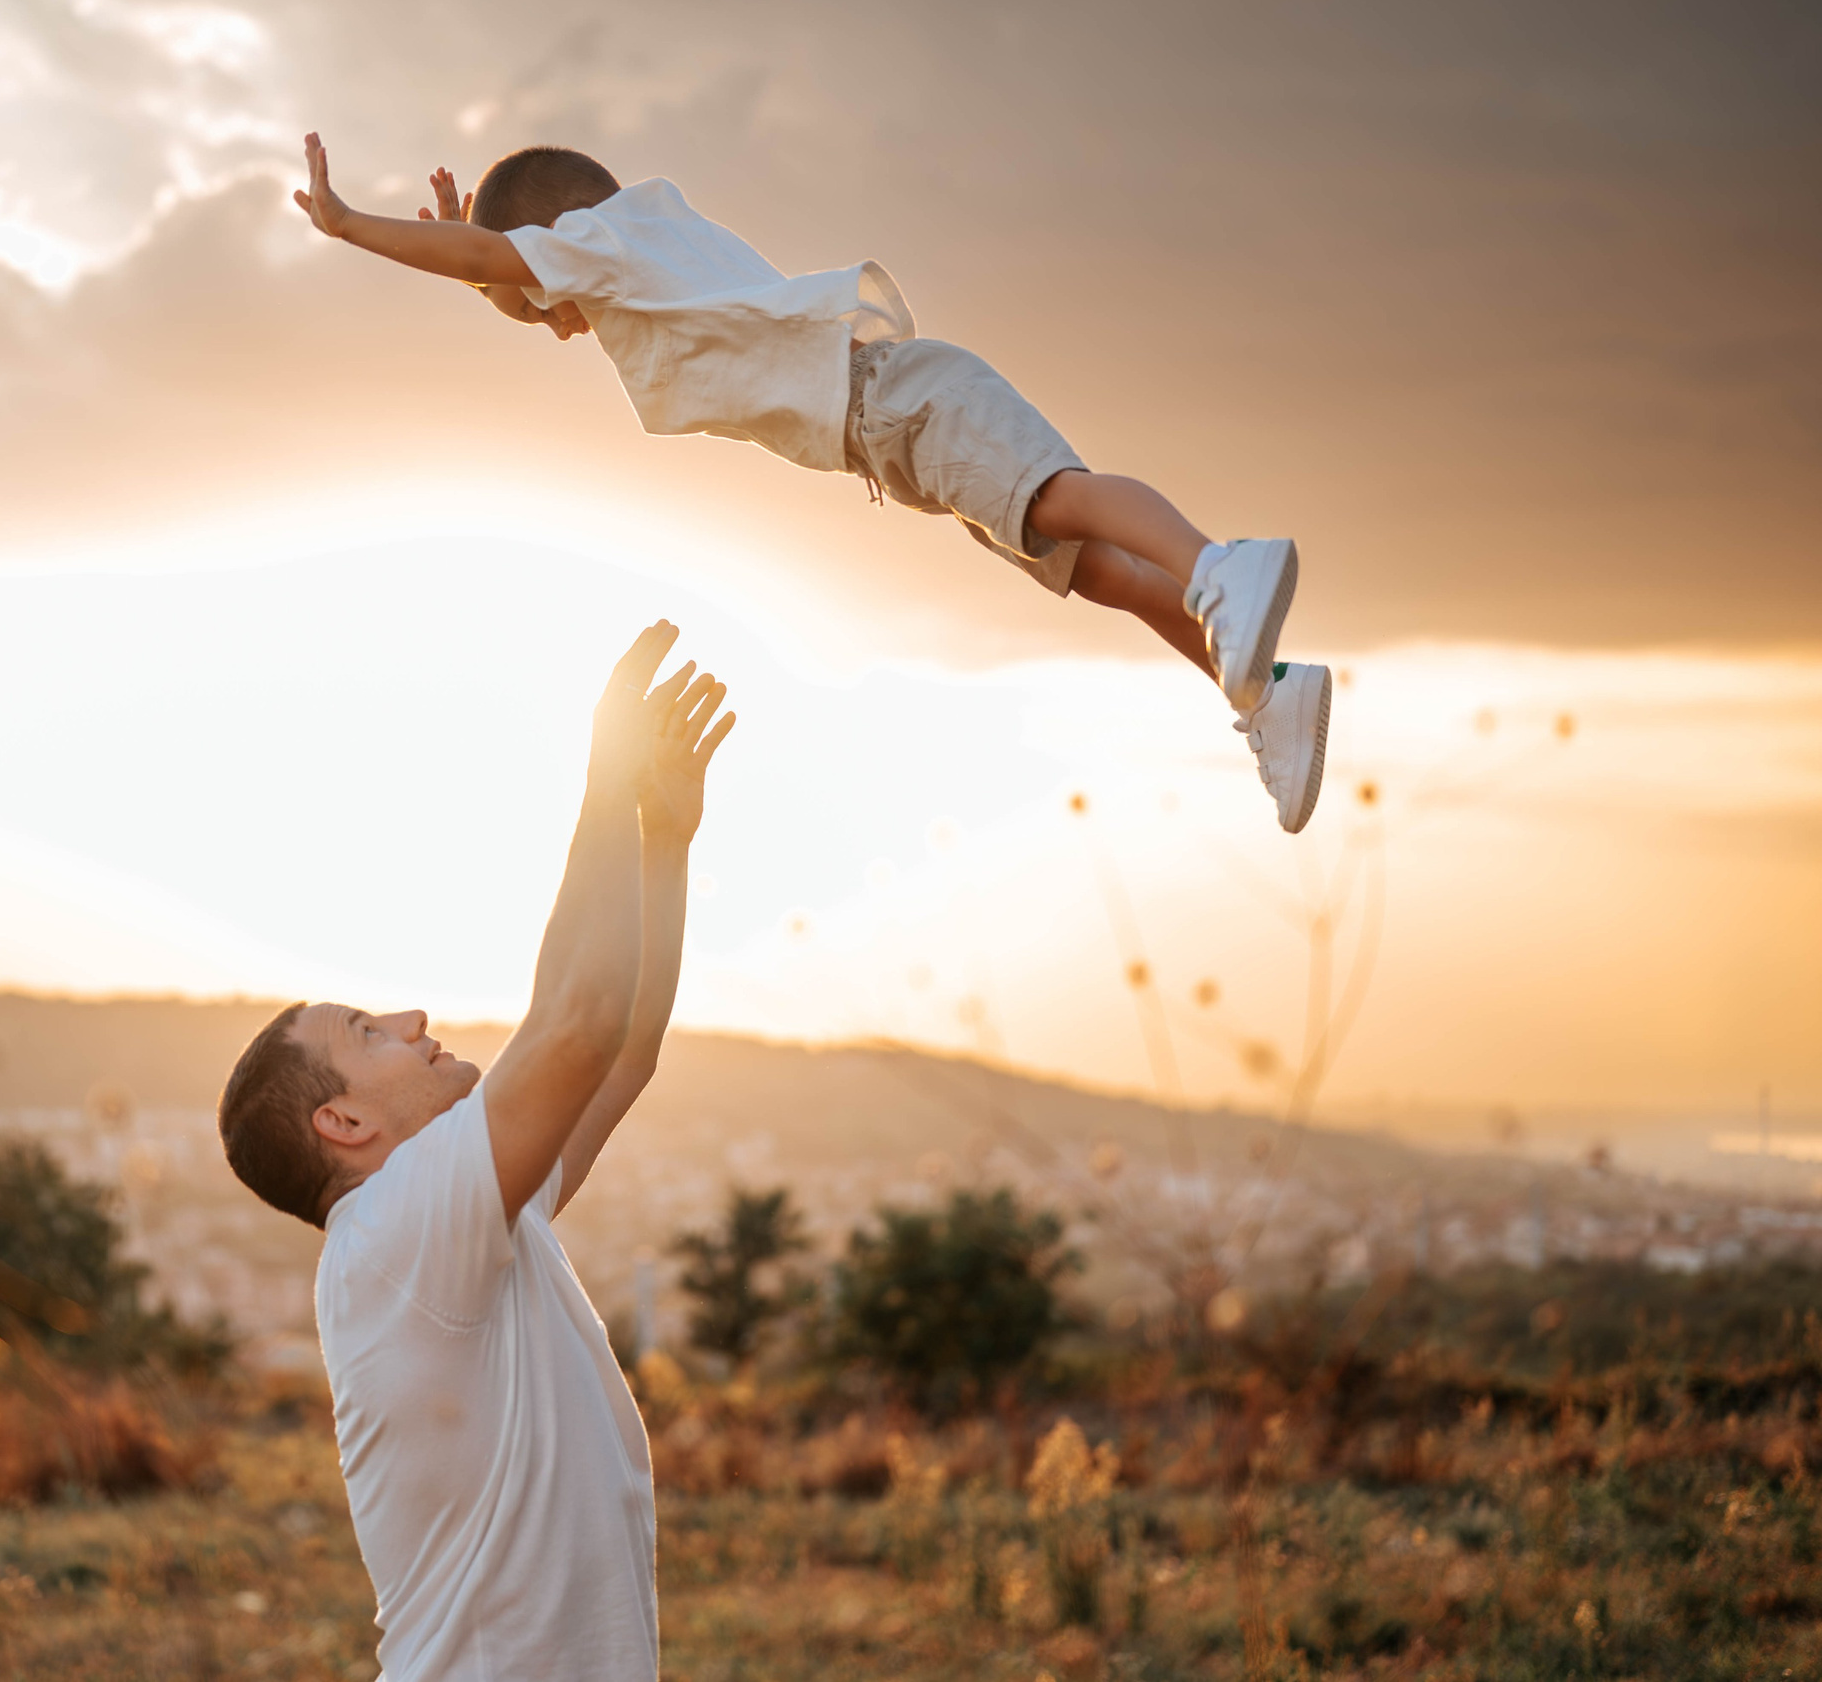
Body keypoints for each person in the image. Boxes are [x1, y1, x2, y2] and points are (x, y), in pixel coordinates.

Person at [292, 133, 1331, 833]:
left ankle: (1218, 565)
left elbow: (517, 258)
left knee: (1063, 498)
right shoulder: (642, 247)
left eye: (536, 298)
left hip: (895, 406)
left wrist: (358, 229)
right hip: (890, 430)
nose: (557, 325)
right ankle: (1266, 694)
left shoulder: (600, 251)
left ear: (554, 241)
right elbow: (511, 262)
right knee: (1088, 567)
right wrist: (480, 265)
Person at [215, 621, 732, 1682]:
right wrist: (603, 781)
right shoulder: (397, 1231)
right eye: (367, 1031)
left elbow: (620, 1050)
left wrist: (662, 842)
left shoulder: (466, 1223)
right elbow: (577, 1023)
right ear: (345, 1125)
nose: (411, 1015)